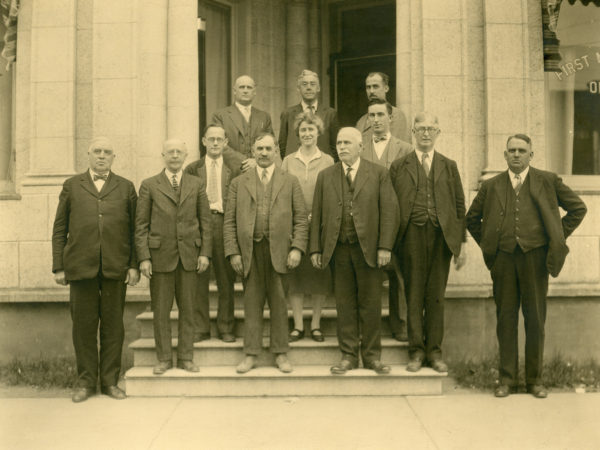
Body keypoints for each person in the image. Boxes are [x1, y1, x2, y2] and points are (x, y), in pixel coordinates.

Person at [466, 134, 586, 399]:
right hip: (504, 261)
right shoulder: (492, 185)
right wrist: (492, 247)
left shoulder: (548, 181)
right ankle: (506, 380)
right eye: (512, 150)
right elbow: (472, 219)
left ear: (531, 155)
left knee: (535, 320)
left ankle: (535, 381)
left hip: (535, 259)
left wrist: (555, 236)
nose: (517, 155)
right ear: (504, 155)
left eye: (522, 150)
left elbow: (578, 208)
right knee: (505, 319)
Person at [52, 137, 139, 402]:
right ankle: (86, 382)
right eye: (97, 152)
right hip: (80, 267)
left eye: (107, 152)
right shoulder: (72, 185)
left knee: (113, 327)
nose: (102, 156)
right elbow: (59, 228)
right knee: (83, 326)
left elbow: (136, 229)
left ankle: (110, 382)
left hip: (115, 266)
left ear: (114, 157)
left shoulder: (125, 187)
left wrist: (133, 265)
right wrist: (59, 266)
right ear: (88, 155)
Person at [310, 127, 399, 375]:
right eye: (338, 143)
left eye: (347, 142)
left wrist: (384, 246)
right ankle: (348, 356)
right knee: (344, 304)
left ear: (361, 146)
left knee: (370, 305)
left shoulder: (379, 173)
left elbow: (390, 213)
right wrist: (315, 248)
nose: (342, 147)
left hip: (369, 250)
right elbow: (317, 213)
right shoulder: (326, 175)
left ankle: (372, 357)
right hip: (338, 251)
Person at [389, 112, 466, 374]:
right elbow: (390, 206)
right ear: (412, 132)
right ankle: (415, 351)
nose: (425, 133)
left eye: (430, 129)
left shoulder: (449, 165)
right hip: (409, 237)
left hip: (441, 238)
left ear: (438, 133)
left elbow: (458, 206)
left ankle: (434, 352)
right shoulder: (399, 166)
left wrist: (461, 243)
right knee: (412, 295)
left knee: (435, 297)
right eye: (420, 128)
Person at [224, 133, 308, 374]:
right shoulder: (238, 183)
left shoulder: (289, 181)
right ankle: (251, 354)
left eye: (268, 149)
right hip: (250, 252)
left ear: (276, 151)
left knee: (280, 304)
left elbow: (301, 219)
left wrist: (297, 248)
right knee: (251, 304)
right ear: (252, 151)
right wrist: (233, 253)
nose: (263, 153)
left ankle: (281, 353)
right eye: (259, 148)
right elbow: (229, 222)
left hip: (280, 252)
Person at [135, 139, 212, 375]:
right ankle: (164, 358)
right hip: (160, 257)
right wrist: (144, 258)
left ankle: (186, 357)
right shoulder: (149, 185)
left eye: (179, 152)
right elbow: (141, 225)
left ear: (186, 155)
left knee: (189, 309)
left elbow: (205, 222)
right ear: (163, 155)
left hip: (190, 255)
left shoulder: (197, 184)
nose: (175, 155)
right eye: (170, 152)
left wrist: (205, 253)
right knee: (161, 311)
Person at [184, 125, 245, 343]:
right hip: (200, 224)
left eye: (220, 139)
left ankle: (226, 327)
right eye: (211, 139)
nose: (216, 143)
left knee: (225, 278)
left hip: (224, 223)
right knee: (199, 278)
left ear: (226, 142)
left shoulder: (234, 168)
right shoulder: (192, 169)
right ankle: (201, 327)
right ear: (203, 141)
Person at [361, 97, 412, 342]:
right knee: (366, 274)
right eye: (372, 115)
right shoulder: (359, 146)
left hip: (397, 220)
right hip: (367, 220)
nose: (376, 120)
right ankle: (366, 325)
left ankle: (400, 324)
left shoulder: (405, 148)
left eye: (381, 114)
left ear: (390, 118)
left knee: (398, 274)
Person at [281, 112, 335, 343]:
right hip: (294, 225)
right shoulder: (287, 160)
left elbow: (331, 194)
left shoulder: (328, 160)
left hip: (319, 225)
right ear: (298, 134)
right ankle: (298, 325)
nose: (307, 134)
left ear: (318, 133)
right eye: (303, 130)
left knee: (318, 276)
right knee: (295, 277)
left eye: (311, 130)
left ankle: (315, 325)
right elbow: (283, 193)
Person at [211, 75, 274, 171]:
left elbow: (271, 143)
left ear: (254, 92)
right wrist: (245, 161)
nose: (245, 90)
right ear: (234, 91)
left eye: (249, 87)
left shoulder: (264, 117)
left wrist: (256, 161)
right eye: (241, 87)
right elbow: (219, 144)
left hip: (258, 170)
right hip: (230, 171)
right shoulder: (220, 115)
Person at [278, 69, 339, 160]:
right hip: (295, 166)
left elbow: (335, 145)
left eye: (313, 84)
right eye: (304, 84)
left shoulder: (330, 114)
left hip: (322, 167)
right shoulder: (288, 113)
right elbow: (283, 145)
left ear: (318, 88)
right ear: (298, 88)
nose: (309, 87)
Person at [356, 72, 409, 142]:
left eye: (375, 86)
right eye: (368, 87)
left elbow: (396, 147)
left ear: (386, 88)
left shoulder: (396, 115)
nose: (371, 91)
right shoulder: (361, 121)